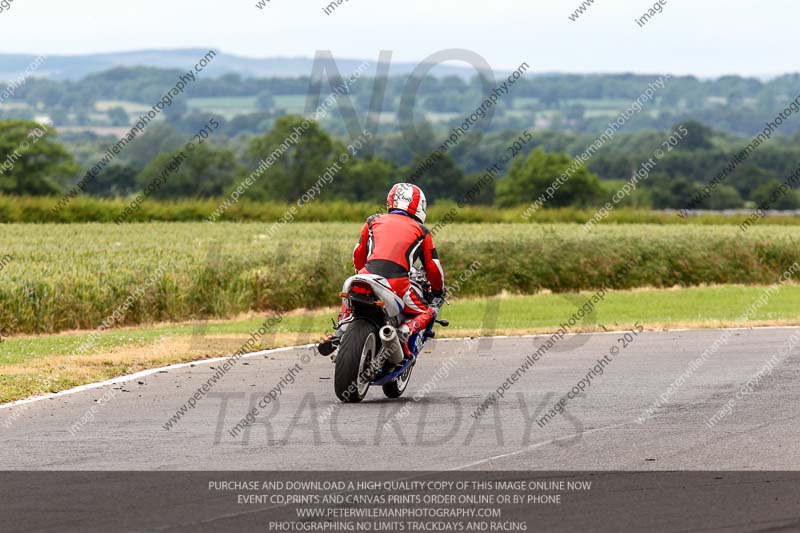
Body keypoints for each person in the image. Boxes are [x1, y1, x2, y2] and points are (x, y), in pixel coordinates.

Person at [318, 183, 445, 357]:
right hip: (397, 284)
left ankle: (340, 330)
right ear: (419, 206)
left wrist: (361, 272)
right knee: (428, 311)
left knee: (352, 294)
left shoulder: (373, 220)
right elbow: (433, 267)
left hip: (366, 275)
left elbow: (358, 254)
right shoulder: (422, 231)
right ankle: (404, 332)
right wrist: (438, 291)